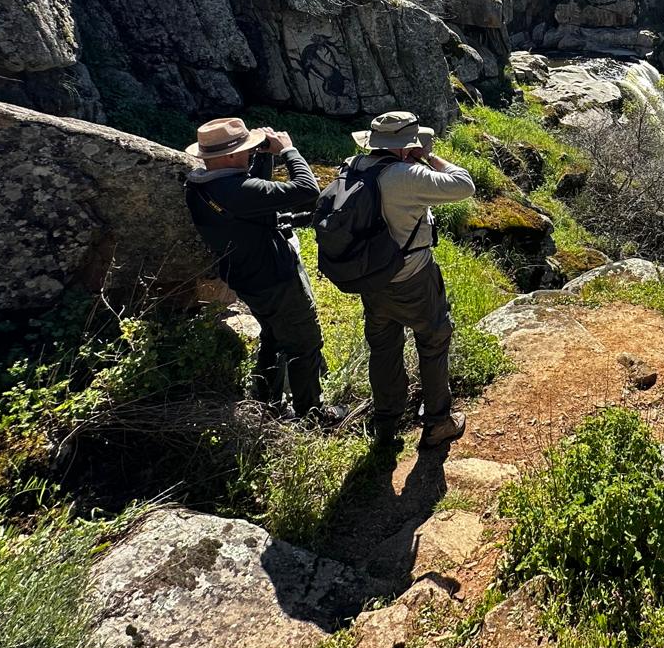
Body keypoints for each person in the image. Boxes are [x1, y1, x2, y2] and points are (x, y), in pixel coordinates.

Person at [184, 117, 334, 423]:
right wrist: (288, 151)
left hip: (246, 277)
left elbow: (255, 200)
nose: (248, 154)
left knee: (273, 337)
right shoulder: (238, 191)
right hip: (276, 280)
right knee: (304, 344)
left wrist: (263, 156)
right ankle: (310, 415)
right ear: (227, 157)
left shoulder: (199, 185)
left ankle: (266, 403)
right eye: (244, 151)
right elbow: (307, 189)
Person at [347, 110, 476, 446]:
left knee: (384, 348)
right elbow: (464, 185)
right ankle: (437, 422)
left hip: (371, 277)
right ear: (407, 146)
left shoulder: (353, 166)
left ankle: (385, 427)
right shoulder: (407, 175)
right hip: (412, 276)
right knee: (433, 341)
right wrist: (430, 157)